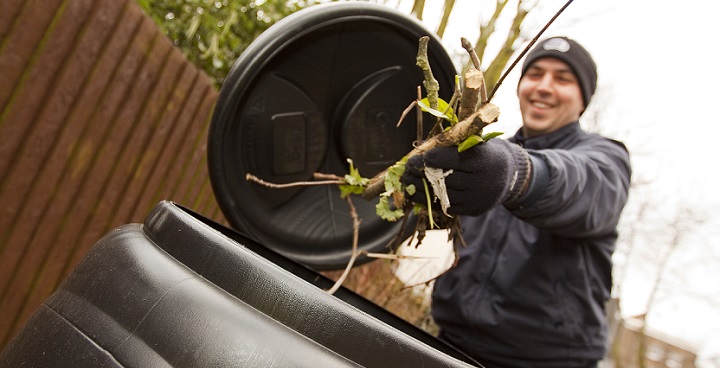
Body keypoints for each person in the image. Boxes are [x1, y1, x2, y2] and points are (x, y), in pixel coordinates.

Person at [402, 36, 632, 368]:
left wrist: (517, 175)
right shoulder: (480, 160)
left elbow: (577, 185)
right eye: (535, 74)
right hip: (450, 345)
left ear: (583, 99)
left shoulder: (605, 160)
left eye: (563, 79)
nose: (544, 87)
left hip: (547, 362)